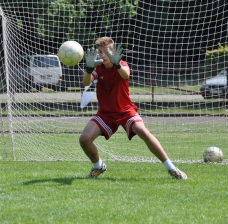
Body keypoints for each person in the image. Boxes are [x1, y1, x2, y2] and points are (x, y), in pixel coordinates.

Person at [79, 36, 187, 180]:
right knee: (84, 139)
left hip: (125, 111)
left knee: (143, 132)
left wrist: (117, 64)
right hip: (105, 114)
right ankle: (98, 165)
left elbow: (125, 74)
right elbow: (86, 81)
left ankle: (171, 168)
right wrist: (88, 69)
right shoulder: (98, 67)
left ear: (113, 52)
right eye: (100, 52)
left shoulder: (122, 64)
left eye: (105, 52)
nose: (102, 55)